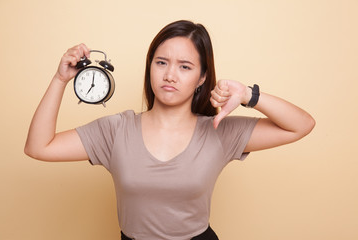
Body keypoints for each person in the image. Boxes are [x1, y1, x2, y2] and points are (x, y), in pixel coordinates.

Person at [24, 20, 315, 240]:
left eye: (185, 67)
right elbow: (39, 147)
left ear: (202, 77)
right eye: (161, 62)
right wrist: (60, 79)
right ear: (150, 67)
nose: (170, 75)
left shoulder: (219, 131)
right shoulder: (116, 130)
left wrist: (249, 95)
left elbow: (302, 125)